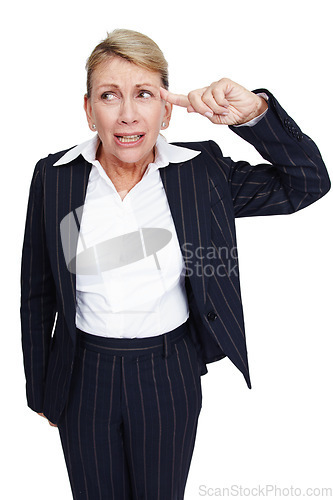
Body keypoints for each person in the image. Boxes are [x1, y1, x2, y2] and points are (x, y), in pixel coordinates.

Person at [20, 28, 330, 500]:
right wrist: (41, 387)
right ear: (88, 110)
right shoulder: (54, 176)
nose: (127, 114)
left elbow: (305, 184)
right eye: (109, 95)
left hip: (168, 373)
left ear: (167, 110)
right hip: (83, 374)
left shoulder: (200, 173)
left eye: (144, 94)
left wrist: (254, 114)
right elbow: (37, 292)